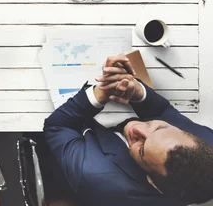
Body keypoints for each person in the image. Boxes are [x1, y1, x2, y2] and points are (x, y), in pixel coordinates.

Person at [44, 54, 213, 205]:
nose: (136, 128)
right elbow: (163, 112)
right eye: (159, 127)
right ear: (189, 135)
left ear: (152, 182)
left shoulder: (93, 173)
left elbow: (57, 126)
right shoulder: (205, 142)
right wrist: (136, 90)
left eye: (141, 149)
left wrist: (101, 92)